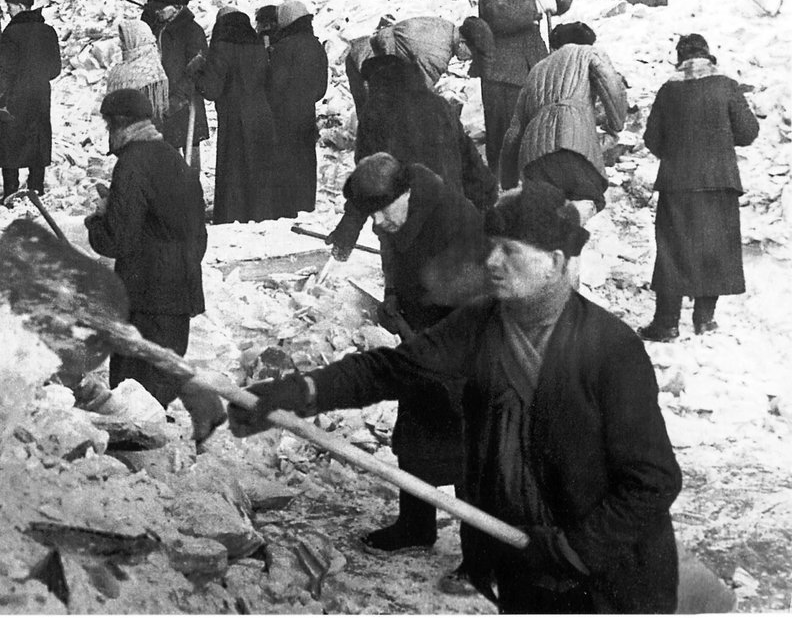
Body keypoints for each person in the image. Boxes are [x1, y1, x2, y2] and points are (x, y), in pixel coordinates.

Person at [231, 179, 683, 616]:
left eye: (510, 250)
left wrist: (575, 550)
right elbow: (392, 370)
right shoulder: (483, 324)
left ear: (557, 261)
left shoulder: (611, 349)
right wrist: (301, 391)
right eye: (491, 246)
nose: (491, 261)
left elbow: (653, 481)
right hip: (525, 564)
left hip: (609, 581)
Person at [332, 155, 484, 593]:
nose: (377, 223)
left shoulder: (456, 220)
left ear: (407, 195)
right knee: (417, 436)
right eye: (371, 214)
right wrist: (393, 298)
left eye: (383, 211)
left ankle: (481, 558)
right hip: (420, 343)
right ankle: (415, 525)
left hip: (463, 349)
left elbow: (478, 299)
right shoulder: (398, 218)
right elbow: (395, 264)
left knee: (469, 451)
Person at [85, 89, 220, 432]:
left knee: (134, 404)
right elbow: (194, 231)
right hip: (179, 289)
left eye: (108, 126)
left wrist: (98, 219)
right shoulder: (173, 159)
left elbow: (118, 239)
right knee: (158, 388)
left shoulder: (131, 164)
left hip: (145, 297)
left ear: (118, 125)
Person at [640, 34, 759, 341]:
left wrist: (678, 155)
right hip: (719, 182)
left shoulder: (669, 90)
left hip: (677, 183)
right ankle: (704, 319)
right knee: (714, 249)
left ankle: (666, 324)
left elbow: (652, 139)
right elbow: (747, 132)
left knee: (671, 250)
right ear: (709, 56)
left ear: (679, 59)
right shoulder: (726, 86)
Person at [329, 53, 496, 268]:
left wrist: (348, 231)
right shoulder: (440, 105)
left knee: (407, 285)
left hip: (402, 219)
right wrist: (486, 201)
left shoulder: (375, 112)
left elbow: (368, 179)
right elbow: (469, 159)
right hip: (448, 207)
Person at [499, 22, 628, 216]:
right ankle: (570, 231)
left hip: (533, 156)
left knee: (548, 216)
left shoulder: (536, 70)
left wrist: (508, 180)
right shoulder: (587, 53)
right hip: (571, 145)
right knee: (588, 200)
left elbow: (514, 132)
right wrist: (616, 123)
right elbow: (611, 85)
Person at [478, 0, 572, 174]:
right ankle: (500, 184)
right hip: (502, 74)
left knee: (530, 131)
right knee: (504, 134)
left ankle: (525, 180)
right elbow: (497, 16)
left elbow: (563, 3)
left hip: (531, 69)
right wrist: (536, 7)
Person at [189, 7, 276, 224]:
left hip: (235, 116)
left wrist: (196, 72)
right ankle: (260, 214)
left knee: (235, 170)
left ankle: (232, 215)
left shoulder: (222, 47)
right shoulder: (258, 46)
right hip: (261, 113)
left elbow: (211, 89)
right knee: (258, 168)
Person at [0, 0, 61, 198]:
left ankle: (11, 191)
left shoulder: (11, 32)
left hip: (14, 93)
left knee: (9, 138)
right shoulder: (48, 31)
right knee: (37, 138)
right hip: (40, 93)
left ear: (20, 6)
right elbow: (55, 69)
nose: (7, 10)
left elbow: (4, 68)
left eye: (9, 5)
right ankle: (36, 188)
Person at [266, 1, 329, 217]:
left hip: (283, 113)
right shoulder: (316, 45)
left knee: (285, 158)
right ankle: (305, 202)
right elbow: (321, 87)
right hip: (306, 110)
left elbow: (275, 84)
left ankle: (285, 206)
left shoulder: (283, 47)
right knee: (306, 157)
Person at [144, 0, 209, 164]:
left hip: (185, 102)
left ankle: (192, 188)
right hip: (163, 99)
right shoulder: (158, 28)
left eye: (161, 8)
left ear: (178, 8)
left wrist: (178, 98)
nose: (157, 12)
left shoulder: (192, 31)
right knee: (167, 153)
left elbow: (196, 68)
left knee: (190, 151)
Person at [105, 19, 169, 125]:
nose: (120, 45)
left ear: (136, 40)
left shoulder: (152, 72)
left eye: (124, 41)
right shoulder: (118, 69)